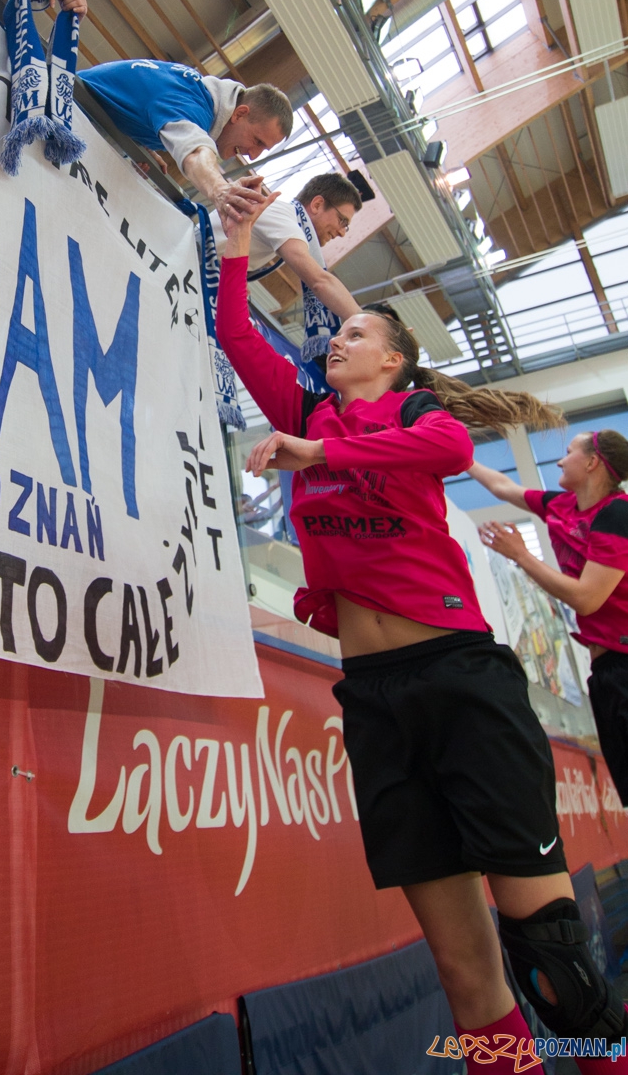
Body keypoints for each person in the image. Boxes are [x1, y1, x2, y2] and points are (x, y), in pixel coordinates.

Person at [216, 194, 623, 1075]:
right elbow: (237, 336)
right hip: (373, 698)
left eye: (356, 333)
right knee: (465, 976)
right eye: (337, 333)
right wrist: (237, 242)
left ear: (393, 361)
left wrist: (319, 455)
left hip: (460, 679)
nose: (337, 341)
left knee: (553, 965)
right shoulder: (307, 412)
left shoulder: (413, 417)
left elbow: (444, 455)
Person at [469, 432, 628, 807]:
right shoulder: (561, 505)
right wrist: (461, 456)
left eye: (569, 452)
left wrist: (521, 556)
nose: (559, 460)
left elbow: (587, 598)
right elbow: (503, 486)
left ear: (592, 462)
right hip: (606, 671)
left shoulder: (617, 514)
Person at [75, 59, 292, 227]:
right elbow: (195, 152)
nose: (253, 155)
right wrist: (220, 189)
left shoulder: (191, 90)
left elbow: (132, 100)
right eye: (257, 141)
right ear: (239, 114)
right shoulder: (192, 105)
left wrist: (141, 145)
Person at [236, 170, 364, 367]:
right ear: (317, 204)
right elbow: (319, 281)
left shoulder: (286, 222)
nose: (342, 233)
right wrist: (370, 323)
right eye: (342, 221)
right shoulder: (280, 215)